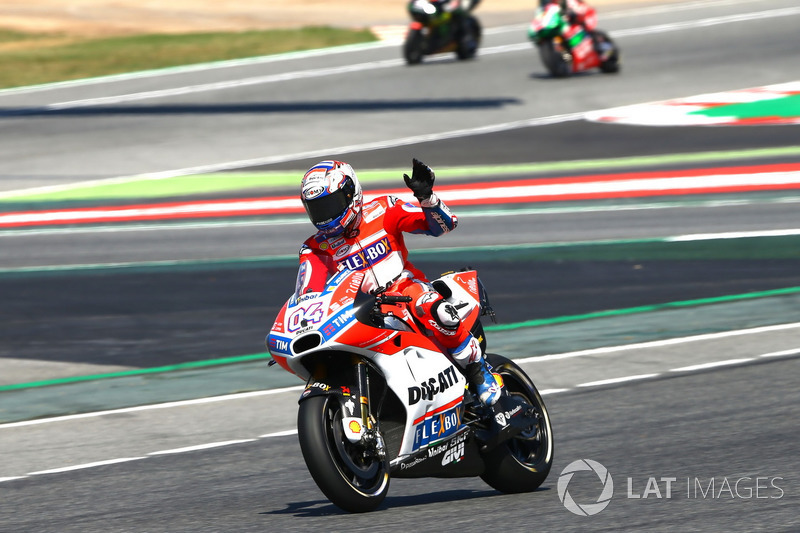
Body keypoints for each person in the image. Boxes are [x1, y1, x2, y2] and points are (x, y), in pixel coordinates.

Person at [295, 158, 502, 406]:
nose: (324, 215)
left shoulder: (384, 208)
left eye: (330, 204)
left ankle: (478, 369)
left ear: (351, 193)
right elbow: (308, 294)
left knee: (438, 311)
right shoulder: (314, 249)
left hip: (405, 290)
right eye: (317, 208)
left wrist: (427, 198)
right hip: (360, 310)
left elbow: (443, 226)